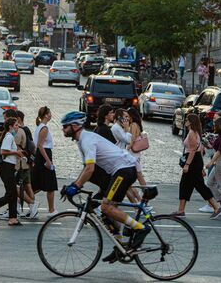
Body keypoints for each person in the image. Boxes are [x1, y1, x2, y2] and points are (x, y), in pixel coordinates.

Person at [59, 111, 149, 263]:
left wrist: (75, 186)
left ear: (74, 126)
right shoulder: (83, 140)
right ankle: (120, 246)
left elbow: (90, 169)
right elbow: (86, 168)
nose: (63, 130)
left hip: (124, 169)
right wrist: (74, 184)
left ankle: (140, 228)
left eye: (65, 127)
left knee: (106, 207)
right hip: (119, 171)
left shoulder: (87, 140)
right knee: (106, 212)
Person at [173, 114, 221, 219]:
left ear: (191, 122)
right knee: (185, 185)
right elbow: (200, 150)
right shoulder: (196, 132)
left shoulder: (192, 133)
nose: (185, 121)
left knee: (199, 185)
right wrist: (200, 167)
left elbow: (193, 151)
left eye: (187, 119)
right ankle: (181, 210)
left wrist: (187, 165)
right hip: (196, 161)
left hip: (192, 161)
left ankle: (216, 207)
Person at [31, 106, 58, 217]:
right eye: (50, 113)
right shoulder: (44, 128)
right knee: (50, 185)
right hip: (44, 155)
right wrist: (48, 161)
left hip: (41, 156)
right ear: (46, 115)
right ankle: (51, 210)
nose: (51, 114)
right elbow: (40, 146)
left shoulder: (40, 127)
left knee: (37, 185)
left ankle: (23, 204)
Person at [126, 108, 148, 187]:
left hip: (132, 153)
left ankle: (146, 193)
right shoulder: (136, 124)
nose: (126, 118)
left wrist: (127, 149)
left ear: (131, 116)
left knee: (139, 174)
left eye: (127, 116)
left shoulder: (133, 125)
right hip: (134, 153)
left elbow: (133, 138)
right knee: (137, 174)